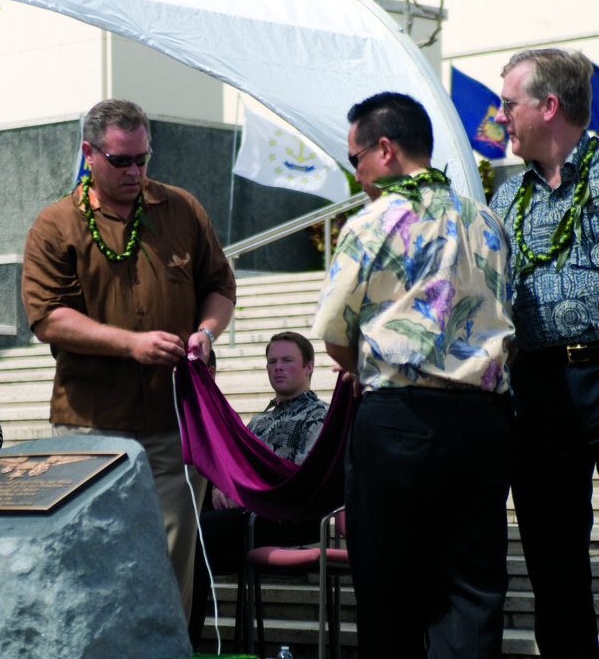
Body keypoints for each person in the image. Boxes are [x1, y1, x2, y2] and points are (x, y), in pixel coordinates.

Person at [313, 93, 515, 658]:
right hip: (483, 421)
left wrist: (362, 369)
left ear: (385, 149)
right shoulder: (489, 219)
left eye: (355, 159)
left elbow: (334, 332)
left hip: (399, 420)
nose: (356, 174)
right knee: (472, 594)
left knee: (389, 593)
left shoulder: (374, 220)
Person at [21, 98, 236, 621]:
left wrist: (206, 331)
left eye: (144, 159)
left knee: (171, 560)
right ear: (89, 153)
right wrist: (131, 344)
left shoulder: (182, 208)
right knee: (89, 556)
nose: (136, 171)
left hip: (176, 421)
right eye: (122, 161)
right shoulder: (55, 224)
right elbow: (48, 317)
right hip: (90, 424)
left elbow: (220, 288)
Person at [489, 48, 599, 658]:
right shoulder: (507, 199)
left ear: (548, 106)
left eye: (509, 103)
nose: (500, 116)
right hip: (537, 386)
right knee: (552, 553)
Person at [189, 332, 328, 648]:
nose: (278, 368)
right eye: (272, 361)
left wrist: (243, 493)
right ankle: (181, 637)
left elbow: (302, 479)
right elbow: (233, 467)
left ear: (309, 366)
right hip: (241, 514)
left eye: (287, 361)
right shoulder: (258, 421)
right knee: (181, 530)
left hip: (280, 518)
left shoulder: (319, 415)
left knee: (192, 537)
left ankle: (187, 640)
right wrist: (221, 488)